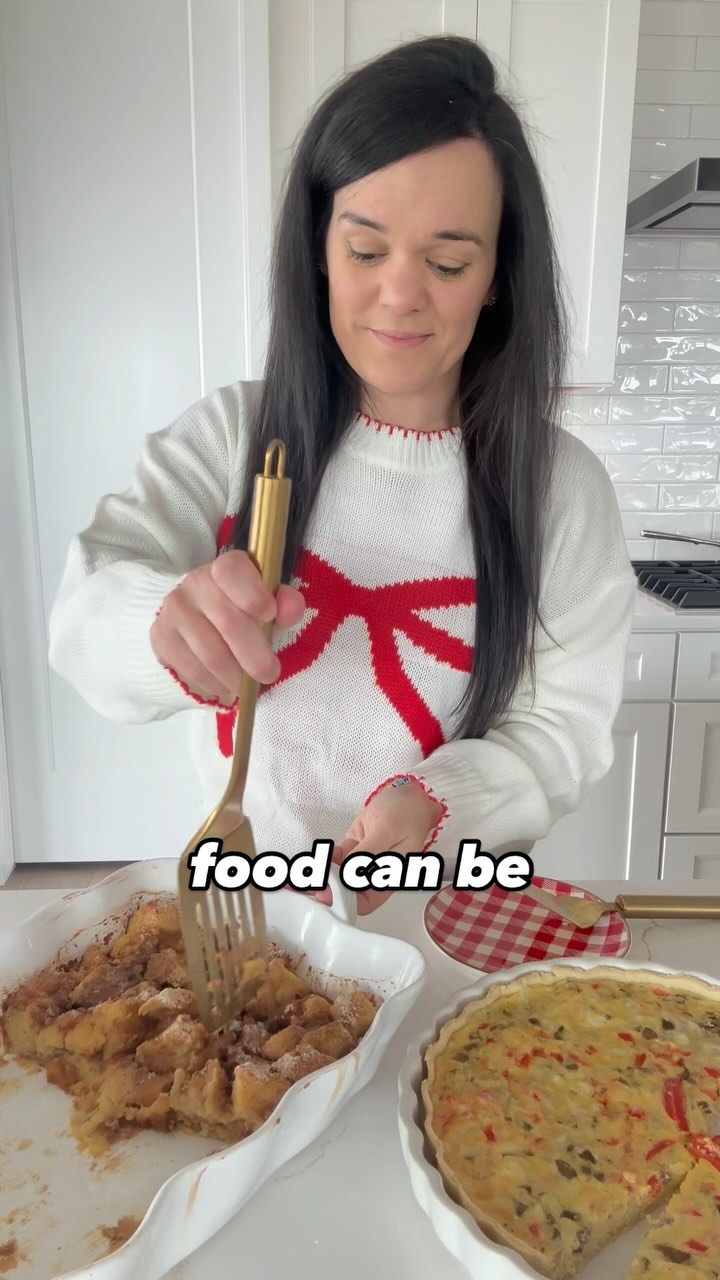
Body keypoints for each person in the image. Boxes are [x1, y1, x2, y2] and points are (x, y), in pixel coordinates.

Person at [48, 35, 636, 915]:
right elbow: (82, 617)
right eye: (365, 251)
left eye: (447, 262)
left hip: (442, 914)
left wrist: (438, 801)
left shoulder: (562, 491)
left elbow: (565, 729)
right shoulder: (232, 438)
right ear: (318, 248)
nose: (400, 295)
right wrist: (162, 627)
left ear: (497, 277)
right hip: (247, 913)